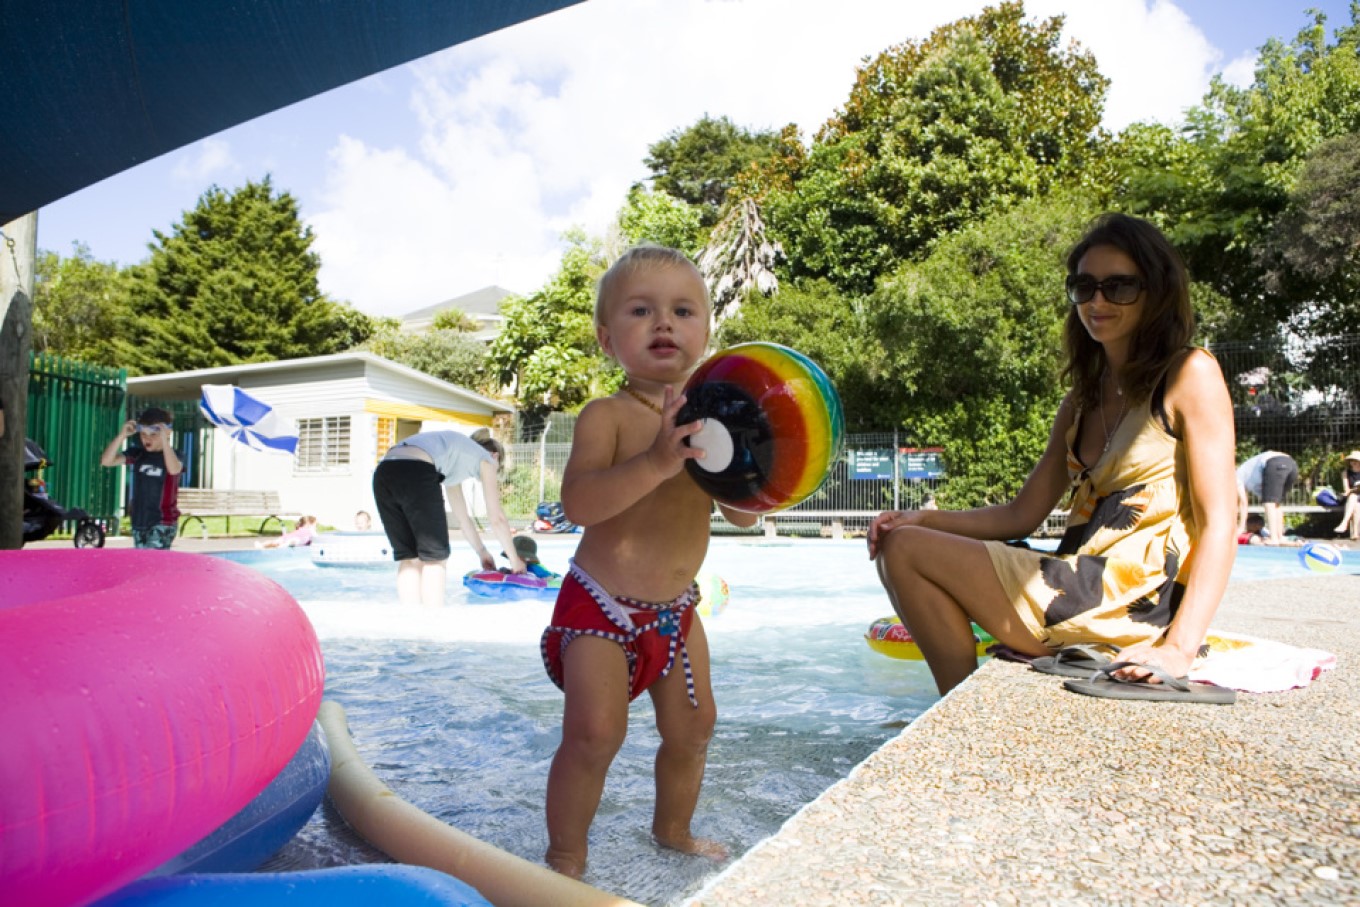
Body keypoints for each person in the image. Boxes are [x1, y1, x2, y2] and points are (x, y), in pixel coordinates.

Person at [869, 213, 1237, 697]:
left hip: (1135, 599)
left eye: (1119, 287)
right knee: (902, 543)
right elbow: (1022, 514)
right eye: (1084, 287)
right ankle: (959, 706)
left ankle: (958, 703)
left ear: (1156, 291)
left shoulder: (1190, 373)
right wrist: (919, 519)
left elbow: (1220, 522)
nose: (1097, 301)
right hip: (1078, 582)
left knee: (907, 550)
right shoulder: (1082, 400)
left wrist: (1180, 649)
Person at [540, 245, 758, 878]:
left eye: (682, 310)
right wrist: (661, 460)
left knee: (694, 728)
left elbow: (743, 514)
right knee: (594, 734)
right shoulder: (605, 416)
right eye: (642, 311)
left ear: (705, 331)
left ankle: (673, 830)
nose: (664, 322)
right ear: (609, 340)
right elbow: (580, 504)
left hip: (675, 610)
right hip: (600, 606)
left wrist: (760, 473)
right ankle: (565, 855)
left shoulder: (717, 424)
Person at [372, 429, 524, 606]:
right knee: (435, 559)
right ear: (495, 455)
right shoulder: (487, 459)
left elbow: (463, 519)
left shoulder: (453, 462)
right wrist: (515, 561)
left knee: (410, 557)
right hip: (416, 470)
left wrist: (482, 553)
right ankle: (434, 622)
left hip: (384, 472)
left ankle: (411, 622)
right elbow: (497, 518)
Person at [100, 407, 184, 549]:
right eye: (143, 434)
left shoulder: (175, 455)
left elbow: (174, 469)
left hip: (162, 522)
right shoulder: (138, 454)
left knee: (153, 563)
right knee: (145, 565)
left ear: (167, 433)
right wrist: (122, 436)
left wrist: (164, 439)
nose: (147, 438)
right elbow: (106, 461)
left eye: (153, 434)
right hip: (139, 520)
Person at [1235, 450, 1299, 547]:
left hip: (1275, 462)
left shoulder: (1236, 477)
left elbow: (1243, 503)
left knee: (1269, 503)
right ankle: (1279, 537)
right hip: (1291, 465)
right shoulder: (1255, 483)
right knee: (1276, 504)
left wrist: (1240, 528)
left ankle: (1273, 538)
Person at [1334, 451, 1360, 540]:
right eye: (1352, 460)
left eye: (1356, 460)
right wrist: (1354, 489)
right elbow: (1347, 490)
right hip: (1351, 497)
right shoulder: (1345, 473)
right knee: (1355, 500)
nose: (1354, 462)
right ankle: (1355, 533)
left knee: (1356, 501)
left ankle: (1345, 523)